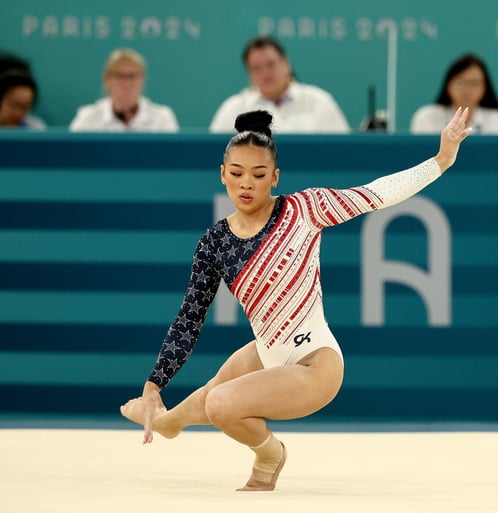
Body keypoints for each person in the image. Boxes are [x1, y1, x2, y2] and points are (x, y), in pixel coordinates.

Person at [120, 107, 472, 491]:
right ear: (222, 174)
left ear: (275, 177)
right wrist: (154, 386)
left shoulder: (304, 209)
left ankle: (270, 455)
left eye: (258, 175)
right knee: (197, 405)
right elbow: (189, 319)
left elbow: (376, 194)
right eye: (236, 173)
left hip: (315, 365)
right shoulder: (214, 242)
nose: (246, 184)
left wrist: (441, 160)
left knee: (219, 404)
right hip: (266, 352)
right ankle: (167, 421)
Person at [210, 36, 350, 134]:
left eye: (271, 64)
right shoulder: (235, 109)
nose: (266, 74)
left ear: (286, 63)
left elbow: (344, 153)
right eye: (257, 68)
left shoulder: (320, 102)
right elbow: (213, 156)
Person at [69, 48, 178, 132]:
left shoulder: (162, 118)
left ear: (143, 79)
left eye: (132, 76)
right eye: (120, 76)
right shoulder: (88, 118)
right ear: (107, 79)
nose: (126, 83)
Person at [410, 53, 498, 135]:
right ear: (448, 85)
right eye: (460, 82)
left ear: (484, 88)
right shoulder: (427, 118)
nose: (467, 90)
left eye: (474, 83)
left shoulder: (497, 121)